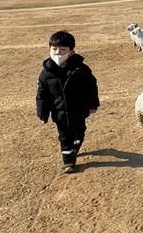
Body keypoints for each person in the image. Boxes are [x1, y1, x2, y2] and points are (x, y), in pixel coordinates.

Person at [36, 30, 100, 174]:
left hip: (79, 110)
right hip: (59, 113)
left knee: (79, 133)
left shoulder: (81, 70)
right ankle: (68, 161)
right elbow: (42, 95)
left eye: (63, 50)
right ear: (49, 50)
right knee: (64, 136)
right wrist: (42, 113)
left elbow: (91, 87)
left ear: (71, 52)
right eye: (54, 49)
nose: (58, 53)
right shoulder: (46, 73)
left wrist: (93, 103)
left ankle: (76, 145)